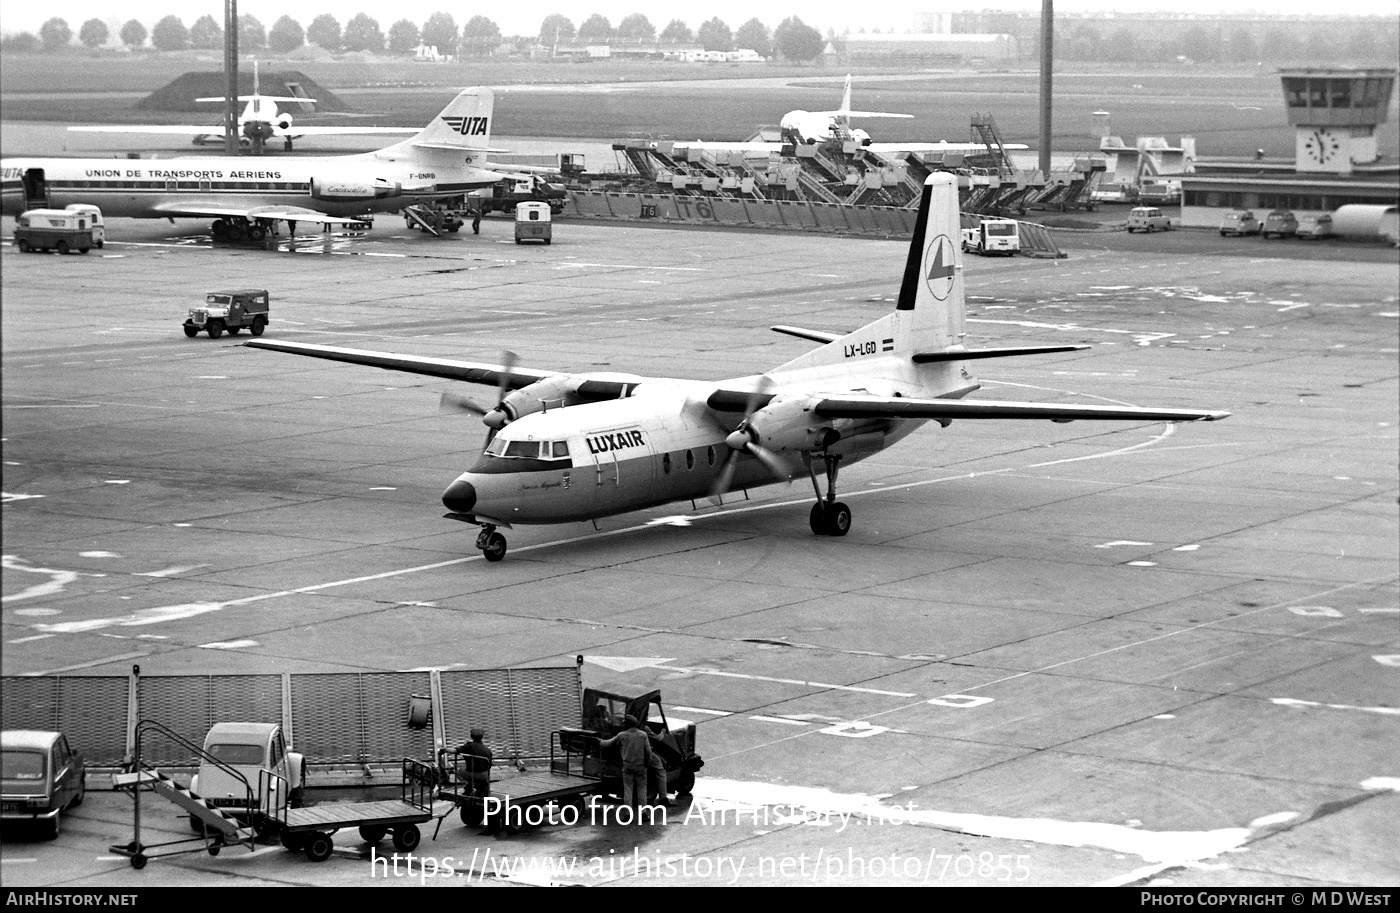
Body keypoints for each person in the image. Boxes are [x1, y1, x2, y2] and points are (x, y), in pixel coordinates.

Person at [599, 715, 650, 814]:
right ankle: (643, 814)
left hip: (627, 766)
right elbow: (648, 752)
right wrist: (646, 764)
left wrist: (599, 741)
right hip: (640, 766)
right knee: (642, 791)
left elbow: (607, 743)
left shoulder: (622, 735)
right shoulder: (643, 735)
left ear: (627, 724)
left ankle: (627, 814)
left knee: (628, 791)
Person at [456, 728, 495, 832]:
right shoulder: (487, 750)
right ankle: (482, 789)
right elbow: (490, 765)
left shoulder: (469, 746)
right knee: (480, 780)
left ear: (471, 736)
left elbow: (455, 750)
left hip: (471, 774)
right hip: (484, 776)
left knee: (458, 771)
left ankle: (468, 789)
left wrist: (443, 750)